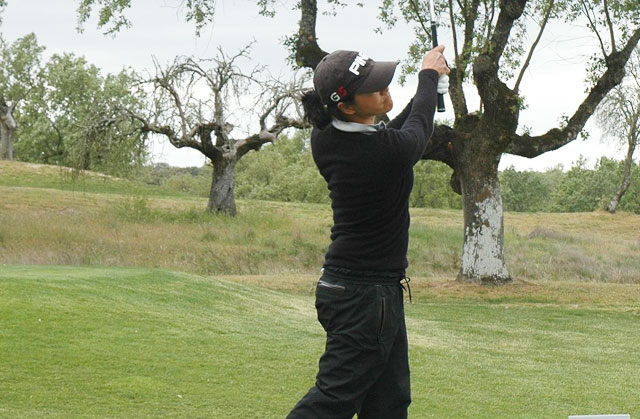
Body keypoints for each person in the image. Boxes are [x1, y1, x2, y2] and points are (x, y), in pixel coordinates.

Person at [286, 45, 450, 419]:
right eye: (374, 87)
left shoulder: (327, 137)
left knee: (388, 404)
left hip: (368, 291)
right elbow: (413, 136)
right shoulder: (383, 151)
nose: (384, 90)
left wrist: (429, 87)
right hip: (364, 298)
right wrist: (427, 79)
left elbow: (397, 130)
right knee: (333, 400)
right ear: (346, 105)